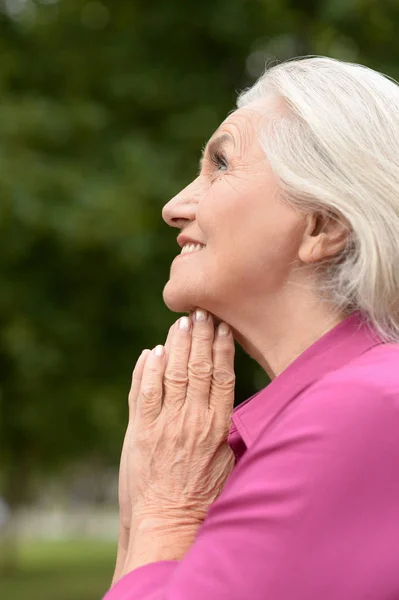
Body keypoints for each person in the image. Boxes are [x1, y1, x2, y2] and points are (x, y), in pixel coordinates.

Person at [103, 56, 399, 599]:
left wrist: (165, 514)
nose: (174, 206)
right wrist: (140, 519)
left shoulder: (365, 409)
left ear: (323, 225)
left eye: (220, 163)